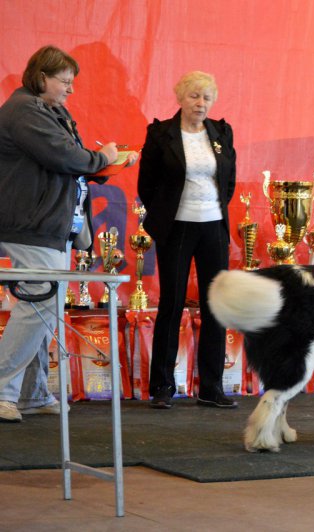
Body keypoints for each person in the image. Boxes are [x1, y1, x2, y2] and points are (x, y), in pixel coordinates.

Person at [0, 45, 132, 422]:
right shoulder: (24, 110)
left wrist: (103, 162)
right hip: (30, 224)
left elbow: (68, 159)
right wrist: (103, 158)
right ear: (42, 77)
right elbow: (66, 157)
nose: (71, 90)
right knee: (41, 303)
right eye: (66, 81)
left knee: (44, 308)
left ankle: (32, 392)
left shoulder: (44, 110)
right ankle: (2, 388)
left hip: (45, 223)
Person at [137, 71, 237, 410]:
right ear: (180, 98)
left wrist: (215, 212)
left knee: (215, 307)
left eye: (207, 97)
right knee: (172, 303)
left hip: (213, 228)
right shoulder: (161, 134)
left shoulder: (222, 132)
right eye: (195, 96)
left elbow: (228, 182)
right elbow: (146, 186)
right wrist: (164, 215)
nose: (201, 103)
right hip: (177, 227)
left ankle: (211, 387)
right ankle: (163, 386)